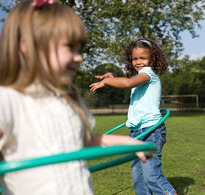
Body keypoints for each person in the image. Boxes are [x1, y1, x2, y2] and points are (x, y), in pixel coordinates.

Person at [0, 1, 150, 194]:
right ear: (28, 46)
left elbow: (79, 141)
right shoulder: (9, 100)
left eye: (80, 49)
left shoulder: (67, 100)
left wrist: (129, 142)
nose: (79, 57)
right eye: (70, 47)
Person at [90, 38, 177, 195]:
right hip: (137, 131)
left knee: (151, 176)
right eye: (135, 58)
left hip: (151, 130)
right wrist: (113, 78)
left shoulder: (149, 74)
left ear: (152, 58)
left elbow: (127, 83)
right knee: (139, 178)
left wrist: (109, 81)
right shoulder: (139, 76)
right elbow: (127, 81)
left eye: (143, 58)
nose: (138, 62)